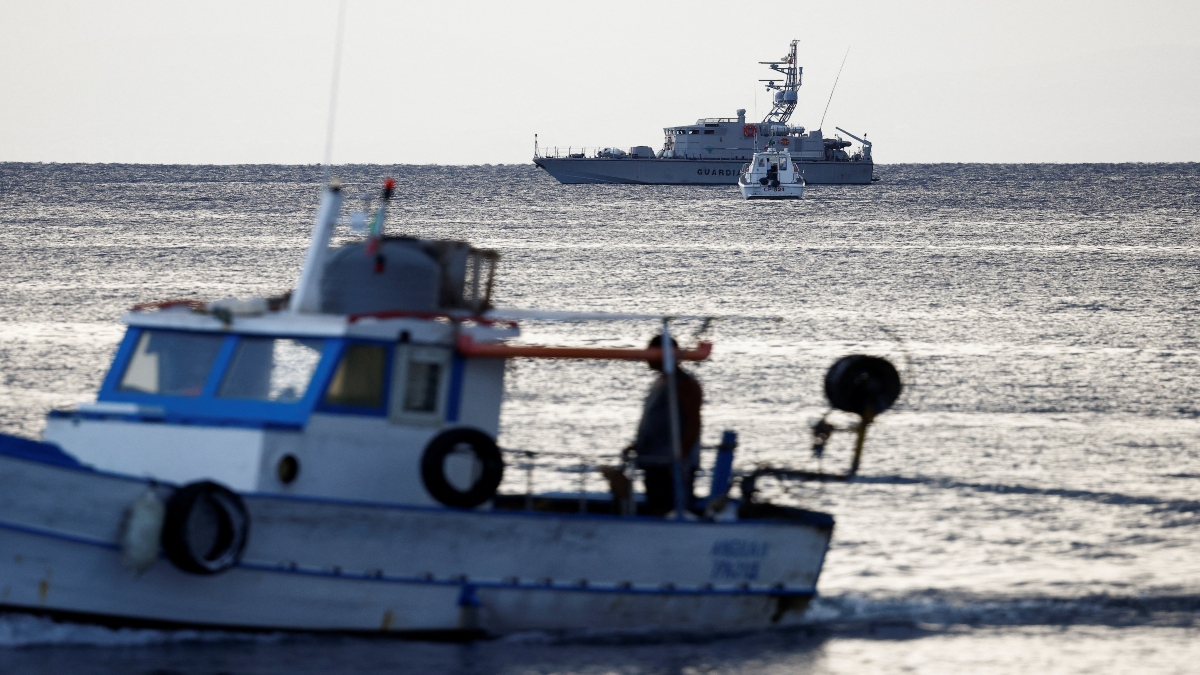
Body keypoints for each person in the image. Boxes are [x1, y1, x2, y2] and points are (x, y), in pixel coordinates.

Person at [626, 334, 703, 516]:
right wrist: (636, 445)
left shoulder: (686, 384)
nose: (647, 357)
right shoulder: (661, 382)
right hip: (654, 460)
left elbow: (693, 423)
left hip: (669, 463)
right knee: (655, 505)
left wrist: (680, 459)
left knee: (670, 508)